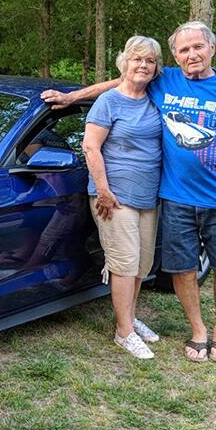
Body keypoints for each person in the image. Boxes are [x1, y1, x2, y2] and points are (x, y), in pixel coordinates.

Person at [42, 21, 216, 363]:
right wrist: (73, 96)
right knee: (180, 268)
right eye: (184, 49)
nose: (192, 54)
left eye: (198, 47)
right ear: (175, 55)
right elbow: (121, 81)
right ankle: (196, 331)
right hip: (175, 197)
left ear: (212, 49)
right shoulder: (166, 81)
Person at [80, 35, 164, 359]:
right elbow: (91, 146)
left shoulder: (155, 98)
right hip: (113, 196)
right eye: (137, 59)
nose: (143, 65)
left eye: (150, 61)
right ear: (124, 63)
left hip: (148, 195)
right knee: (124, 264)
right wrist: (103, 189)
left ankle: (130, 317)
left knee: (142, 265)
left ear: (156, 68)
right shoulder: (109, 102)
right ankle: (123, 332)